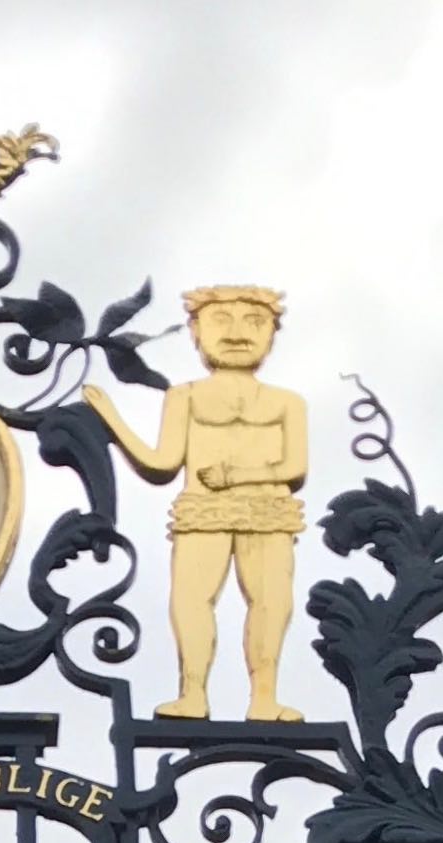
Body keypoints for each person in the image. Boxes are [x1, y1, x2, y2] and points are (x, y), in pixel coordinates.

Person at [82, 286, 309, 722]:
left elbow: (295, 467)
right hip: (203, 511)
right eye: (221, 320)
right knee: (191, 599)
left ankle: (264, 698)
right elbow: (162, 463)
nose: (238, 333)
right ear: (195, 331)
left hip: (268, 513)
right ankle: (192, 695)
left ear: (272, 334)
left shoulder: (287, 403)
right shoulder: (184, 396)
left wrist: (237, 475)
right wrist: (111, 418)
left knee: (271, 602)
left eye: (255, 322)